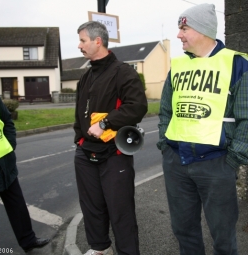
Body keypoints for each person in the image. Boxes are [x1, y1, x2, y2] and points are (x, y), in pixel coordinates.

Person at [157, 3, 248, 255]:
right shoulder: (178, 66)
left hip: (217, 164)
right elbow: (165, 111)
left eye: (184, 28)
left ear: (204, 30)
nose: (179, 34)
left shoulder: (237, 64)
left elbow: (247, 118)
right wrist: (166, 146)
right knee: (184, 231)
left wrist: (233, 160)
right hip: (176, 161)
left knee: (223, 236)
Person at [74, 21, 147, 255]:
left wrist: (105, 123)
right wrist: (80, 139)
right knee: (92, 208)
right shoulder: (86, 77)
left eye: (83, 40)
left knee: (120, 211)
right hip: (85, 153)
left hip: (114, 154)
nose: (79, 46)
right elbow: (80, 113)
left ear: (98, 41)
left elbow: (137, 107)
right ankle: (100, 249)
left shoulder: (123, 72)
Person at [0, 89, 50, 254]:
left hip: (4, 160)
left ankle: (28, 240)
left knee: (16, 202)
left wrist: (10, 146)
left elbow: (7, 121)